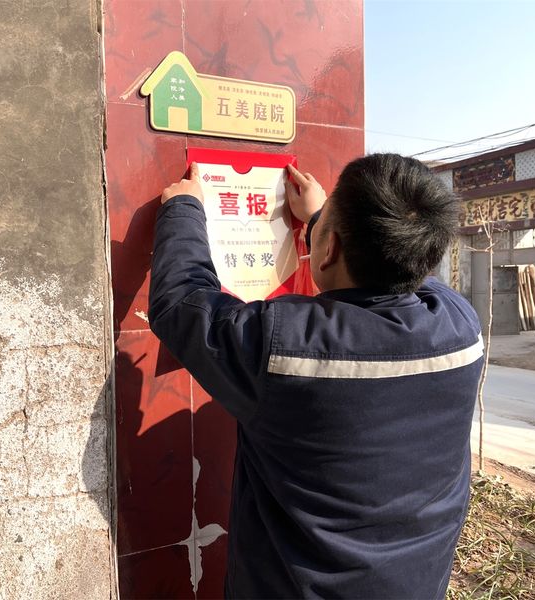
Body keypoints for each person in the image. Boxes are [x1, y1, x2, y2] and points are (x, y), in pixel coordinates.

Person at [148, 154, 483, 599]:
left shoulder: (282, 345)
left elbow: (182, 302)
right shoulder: (461, 328)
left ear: (329, 250)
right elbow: (411, 273)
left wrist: (184, 208)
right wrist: (325, 216)